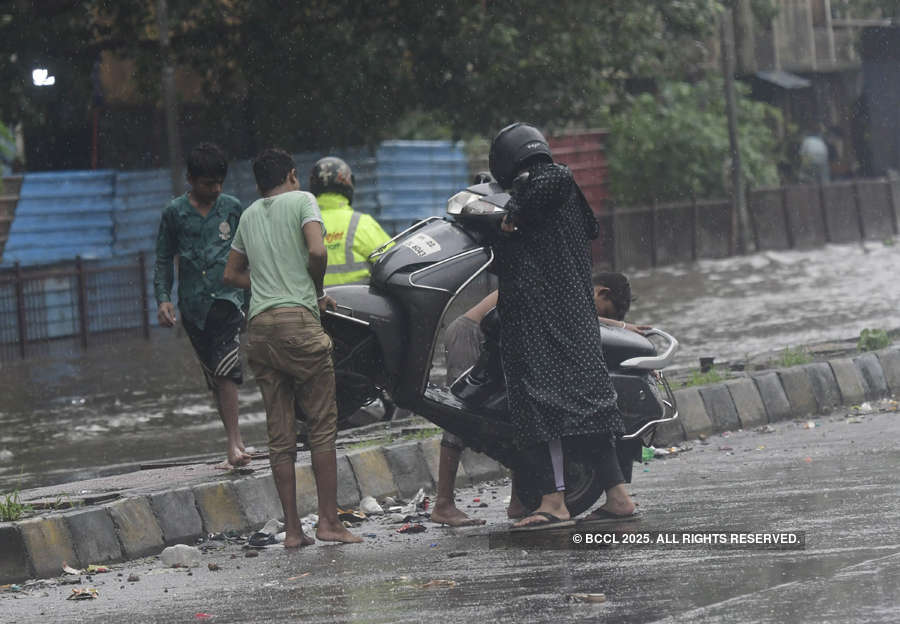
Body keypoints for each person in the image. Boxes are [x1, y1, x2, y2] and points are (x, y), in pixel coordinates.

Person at [488, 122, 636, 531]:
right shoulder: (558, 201)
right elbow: (591, 226)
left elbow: (557, 175)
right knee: (588, 407)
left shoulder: (548, 181)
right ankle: (618, 497)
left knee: (539, 407)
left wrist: (511, 211)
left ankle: (554, 502)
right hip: (574, 317)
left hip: (542, 319)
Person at [223, 148, 361, 547]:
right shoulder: (303, 201)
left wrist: (267, 282)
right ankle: (329, 524)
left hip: (260, 329)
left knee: (279, 436)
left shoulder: (248, 215)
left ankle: (294, 532)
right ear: (292, 176)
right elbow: (317, 251)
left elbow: (231, 274)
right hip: (298, 323)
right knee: (321, 427)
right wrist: (312, 288)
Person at [431, 272, 648, 526]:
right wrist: (620, 326)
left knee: (517, 414)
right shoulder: (563, 284)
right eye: (606, 312)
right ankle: (443, 504)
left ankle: (518, 502)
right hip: (472, 334)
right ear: (601, 293)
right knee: (458, 420)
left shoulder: (570, 286)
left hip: (505, 341)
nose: (603, 320)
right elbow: (577, 316)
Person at [153, 142, 250, 470]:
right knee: (214, 376)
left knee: (225, 370)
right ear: (191, 180)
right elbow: (164, 258)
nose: (216, 189)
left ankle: (234, 445)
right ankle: (234, 443)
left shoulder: (232, 208)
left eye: (220, 182)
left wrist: (254, 297)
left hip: (228, 300)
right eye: (209, 183)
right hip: (194, 307)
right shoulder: (174, 213)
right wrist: (164, 298)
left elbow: (250, 252)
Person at [309, 156, 391, 286]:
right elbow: (393, 261)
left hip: (314, 304)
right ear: (349, 183)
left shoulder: (300, 226)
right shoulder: (362, 223)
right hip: (359, 304)